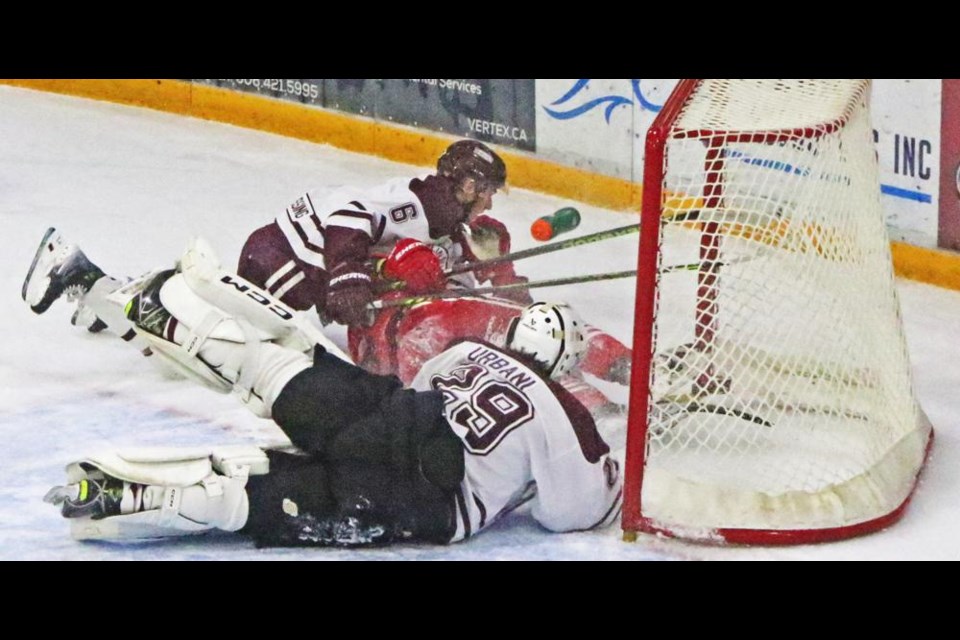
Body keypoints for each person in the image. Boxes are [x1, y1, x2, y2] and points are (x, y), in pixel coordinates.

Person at [39, 239, 623, 547]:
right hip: (425, 496)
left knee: (271, 366)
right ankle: (121, 497)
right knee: (276, 498)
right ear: (563, 363)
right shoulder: (563, 411)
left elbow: (413, 388)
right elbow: (571, 513)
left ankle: (156, 307)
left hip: (389, 411)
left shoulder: (469, 352)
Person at [237, 138, 530, 326]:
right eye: (488, 193)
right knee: (249, 328)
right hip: (280, 257)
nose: (490, 203)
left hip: (301, 265)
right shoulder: (417, 205)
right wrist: (347, 274)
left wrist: (507, 290)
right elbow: (347, 217)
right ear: (469, 187)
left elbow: (442, 272)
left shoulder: (444, 215)